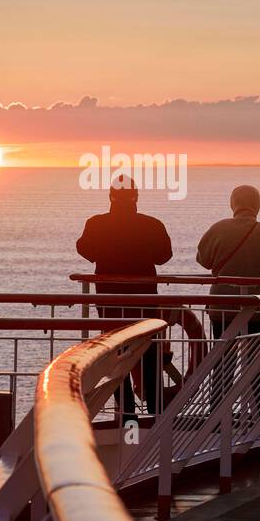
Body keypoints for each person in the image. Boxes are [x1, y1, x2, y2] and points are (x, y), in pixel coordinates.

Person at [76, 176, 173, 422]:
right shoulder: (152, 225)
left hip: (110, 302)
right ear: (136, 197)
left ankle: (126, 414)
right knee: (149, 353)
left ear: (110, 196)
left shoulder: (96, 224)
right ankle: (155, 415)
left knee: (117, 355)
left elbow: (84, 249)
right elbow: (164, 256)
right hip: (145, 302)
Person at [196, 186, 260, 408]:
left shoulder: (218, 228)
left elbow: (203, 259)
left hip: (223, 306)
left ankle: (217, 413)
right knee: (259, 361)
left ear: (233, 204)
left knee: (223, 360)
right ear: (257, 206)